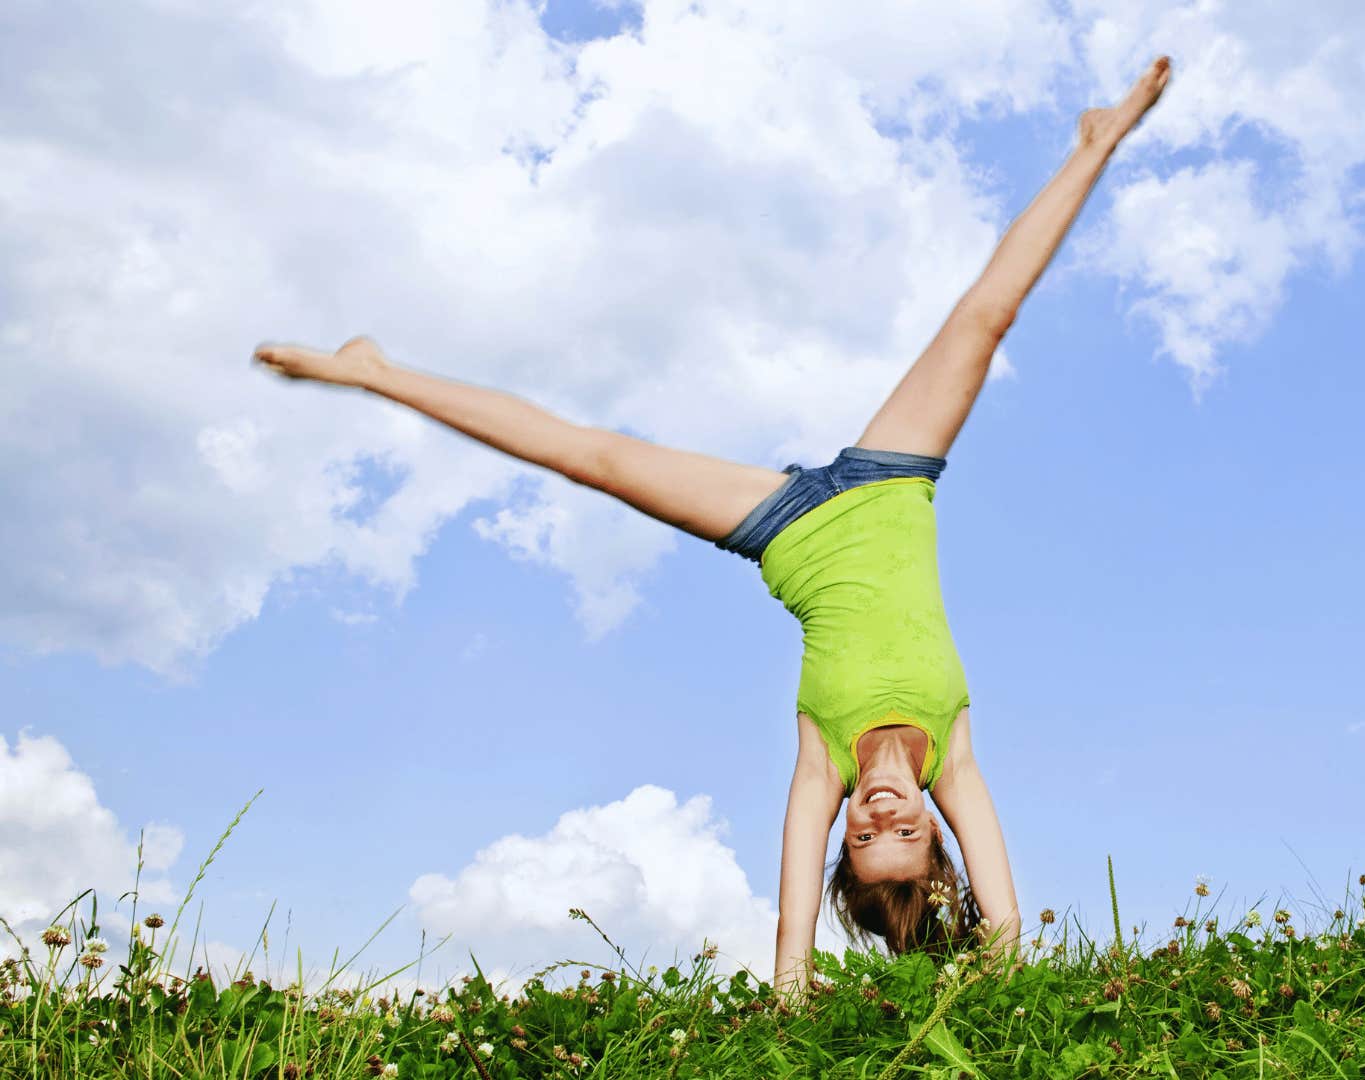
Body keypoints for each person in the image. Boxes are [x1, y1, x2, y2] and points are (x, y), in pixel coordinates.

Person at [253, 55, 1173, 994]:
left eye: (863, 838)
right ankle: (1097, 142)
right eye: (905, 834)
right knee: (985, 317)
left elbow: (790, 904)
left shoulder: (820, 760)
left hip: (784, 528)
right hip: (894, 482)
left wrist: (790, 978)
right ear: (938, 836)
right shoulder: (956, 757)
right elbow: (1005, 918)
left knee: (593, 457)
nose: (884, 812)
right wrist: (997, 961)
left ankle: (375, 371)